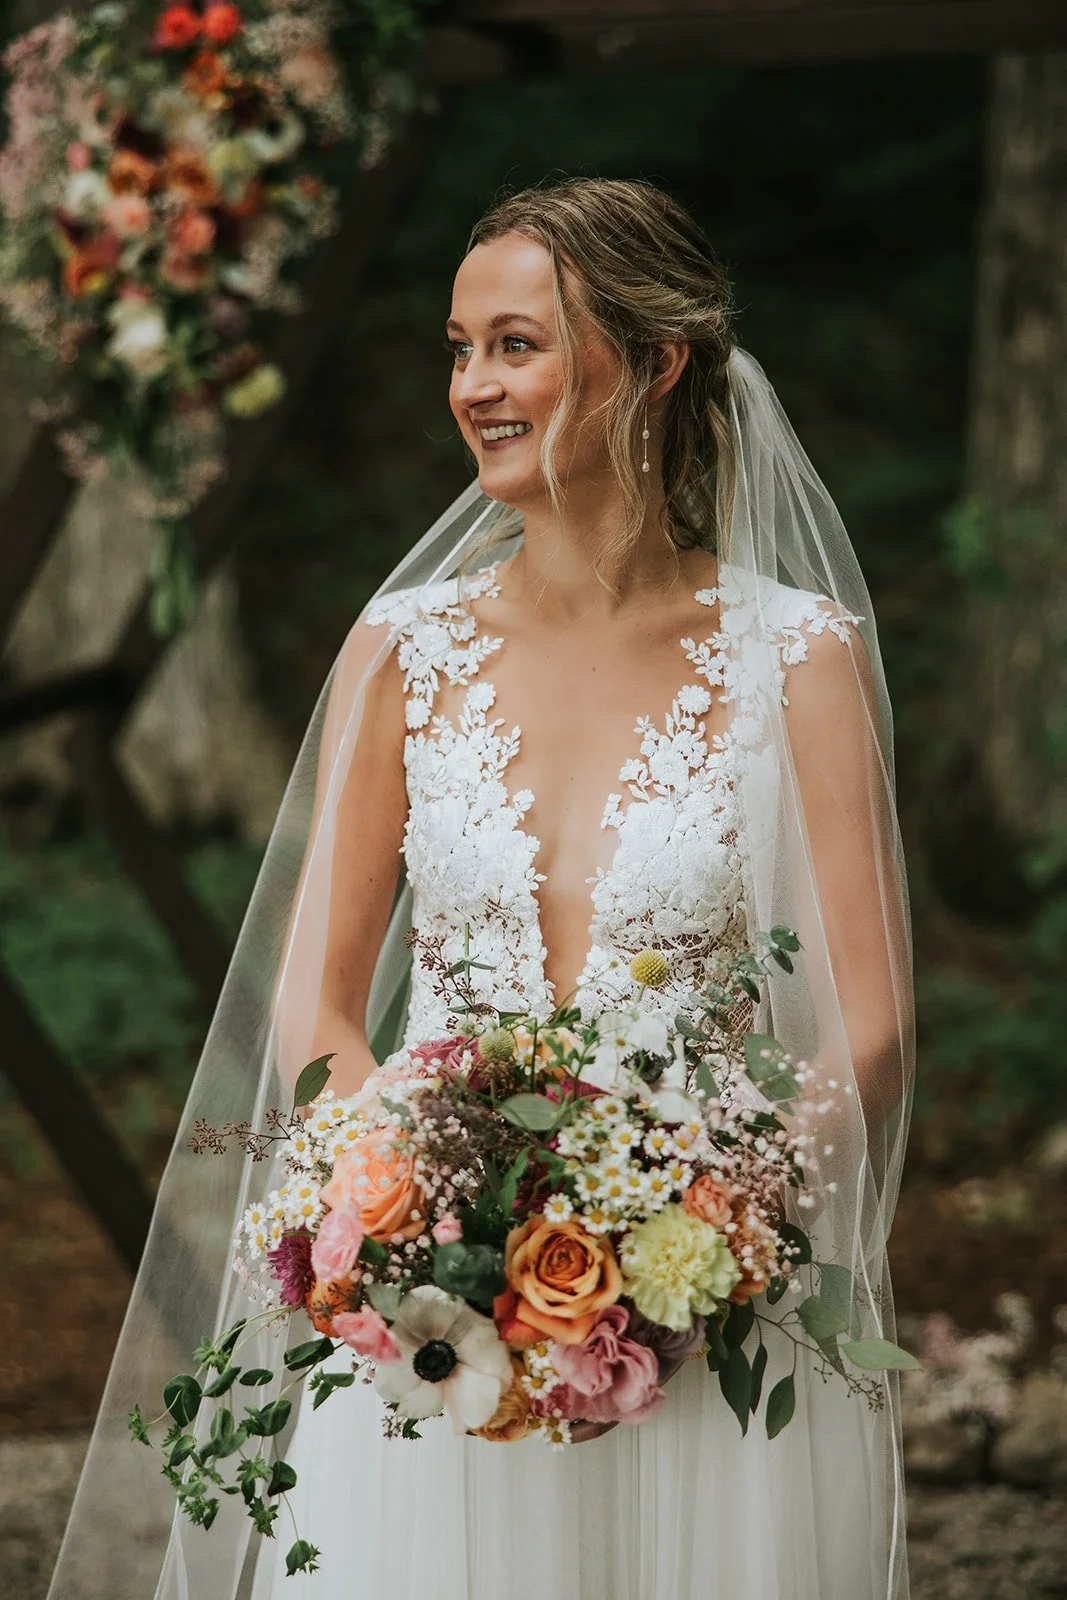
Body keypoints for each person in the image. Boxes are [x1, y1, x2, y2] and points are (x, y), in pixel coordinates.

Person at [48, 178, 914, 1600]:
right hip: (439, 1316)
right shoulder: (400, 651)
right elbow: (319, 1009)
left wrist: (713, 1217)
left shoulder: (797, 659)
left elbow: (870, 1028)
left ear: (649, 360)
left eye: (513, 344)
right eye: (458, 350)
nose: (473, 386)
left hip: (706, 1318)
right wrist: (399, 1188)